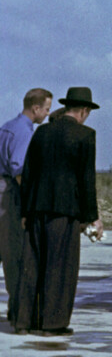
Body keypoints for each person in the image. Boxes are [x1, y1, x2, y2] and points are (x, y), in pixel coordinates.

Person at [13, 87, 102, 337]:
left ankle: (24, 321)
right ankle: (51, 324)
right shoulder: (86, 135)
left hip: (35, 209)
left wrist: (24, 211)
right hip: (64, 212)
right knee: (59, 268)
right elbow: (86, 181)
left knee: (32, 265)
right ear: (84, 111)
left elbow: (28, 173)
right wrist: (92, 217)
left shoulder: (42, 132)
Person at [0, 88, 53, 322]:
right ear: (36, 108)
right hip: (8, 193)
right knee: (13, 252)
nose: (47, 114)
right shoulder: (23, 132)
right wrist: (29, 201)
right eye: (47, 109)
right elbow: (18, 169)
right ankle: (18, 308)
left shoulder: (7, 127)